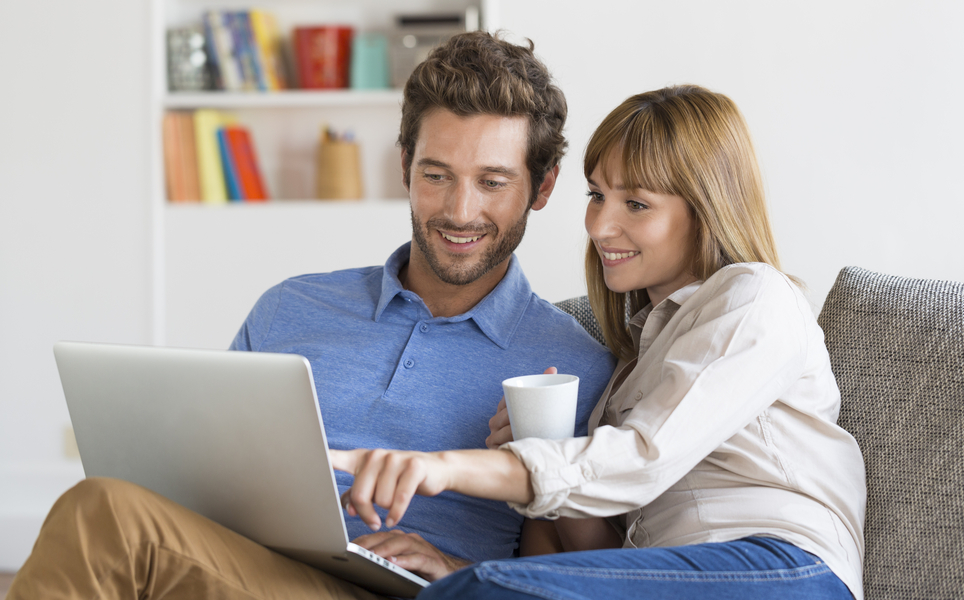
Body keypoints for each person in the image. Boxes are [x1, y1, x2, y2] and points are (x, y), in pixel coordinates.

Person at [8, 32, 616, 600]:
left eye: (493, 182)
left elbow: (585, 572)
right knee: (116, 516)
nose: (460, 210)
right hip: (251, 567)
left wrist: (459, 574)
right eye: (437, 175)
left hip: (421, 591)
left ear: (541, 187)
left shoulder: (578, 364)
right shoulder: (291, 309)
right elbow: (204, 476)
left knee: (106, 514)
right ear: (404, 163)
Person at [329, 85, 868, 600]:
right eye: (596, 195)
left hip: (783, 571)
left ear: (704, 207)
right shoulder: (629, 369)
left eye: (636, 203)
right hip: (667, 572)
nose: (600, 225)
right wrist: (459, 567)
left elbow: (641, 461)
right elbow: (587, 557)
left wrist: (440, 467)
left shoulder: (755, 298)